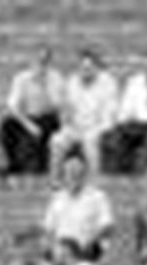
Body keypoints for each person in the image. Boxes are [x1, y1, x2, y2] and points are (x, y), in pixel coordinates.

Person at [0, 48, 66, 176]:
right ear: (31, 62)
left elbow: (58, 105)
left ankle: (39, 165)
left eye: (44, 62)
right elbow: (13, 106)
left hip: (47, 118)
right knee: (6, 125)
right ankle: (13, 164)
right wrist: (28, 125)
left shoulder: (56, 78)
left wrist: (45, 86)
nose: (41, 66)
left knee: (49, 125)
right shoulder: (21, 78)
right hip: (27, 118)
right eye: (38, 61)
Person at [50, 49, 119, 177]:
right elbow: (66, 113)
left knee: (89, 140)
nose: (85, 71)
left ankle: (94, 180)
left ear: (96, 68)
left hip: (97, 127)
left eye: (88, 68)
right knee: (56, 140)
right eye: (82, 68)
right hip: (75, 128)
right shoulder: (72, 82)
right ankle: (56, 180)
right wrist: (66, 119)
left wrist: (95, 129)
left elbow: (109, 117)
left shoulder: (108, 83)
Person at [41, 148, 114, 261]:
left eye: (77, 172)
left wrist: (89, 242)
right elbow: (48, 229)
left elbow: (107, 227)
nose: (74, 175)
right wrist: (49, 245)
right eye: (70, 172)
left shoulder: (98, 197)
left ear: (84, 173)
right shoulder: (57, 198)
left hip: (87, 254)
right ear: (63, 174)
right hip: (61, 254)